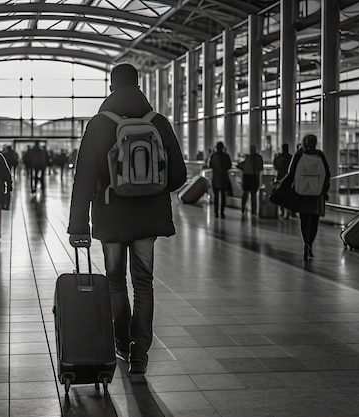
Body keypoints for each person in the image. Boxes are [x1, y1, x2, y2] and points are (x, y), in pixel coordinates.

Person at [67, 63, 187, 375]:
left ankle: (121, 341)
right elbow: (179, 176)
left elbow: (83, 177)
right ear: (138, 84)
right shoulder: (158, 122)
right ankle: (140, 350)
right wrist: (152, 186)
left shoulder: (99, 124)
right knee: (144, 282)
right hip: (148, 218)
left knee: (116, 281)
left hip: (111, 217)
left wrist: (78, 222)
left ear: (111, 87)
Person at [282, 134, 330, 260]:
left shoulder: (299, 155)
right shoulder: (320, 155)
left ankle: (305, 244)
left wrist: (283, 187)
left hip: (302, 192)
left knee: (304, 220)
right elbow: (327, 174)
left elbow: (290, 173)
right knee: (314, 221)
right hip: (317, 194)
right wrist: (325, 191)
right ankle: (311, 244)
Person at [208, 141, 232, 218]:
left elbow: (209, 165)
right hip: (224, 177)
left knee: (216, 196)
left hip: (215, 177)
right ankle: (222, 211)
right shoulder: (226, 156)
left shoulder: (213, 156)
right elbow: (229, 166)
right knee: (223, 196)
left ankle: (216, 211)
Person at [239, 144, 264, 217]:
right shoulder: (258, 157)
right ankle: (253, 210)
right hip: (253, 176)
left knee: (246, 193)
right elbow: (260, 167)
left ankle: (244, 208)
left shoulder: (248, 157)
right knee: (253, 194)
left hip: (247, 176)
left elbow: (242, 165)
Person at [273, 143, 294, 218]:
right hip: (288, 178)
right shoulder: (291, 157)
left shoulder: (279, 157)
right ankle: (288, 212)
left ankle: (282, 211)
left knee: (281, 195)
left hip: (280, 177)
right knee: (288, 196)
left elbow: (276, 166)